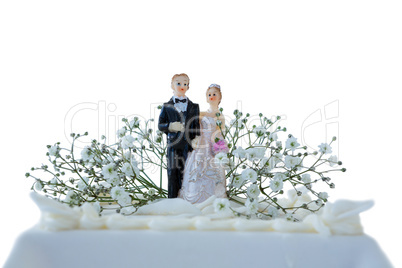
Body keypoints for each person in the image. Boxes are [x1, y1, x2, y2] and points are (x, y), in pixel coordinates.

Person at [178, 84, 227, 204]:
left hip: (212, 144)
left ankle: (212, 195)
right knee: (195, 165)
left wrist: (219, 147)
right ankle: (193, 194)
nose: (211, 96)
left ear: (220, 97)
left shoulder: (220, 116)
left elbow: (220, 132)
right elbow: (193, 123)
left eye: (214, 94)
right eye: (209, 94)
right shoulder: (202, 112)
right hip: (200, 143)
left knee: (213, 167)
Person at [158, 73, 200, 198]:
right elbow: (160, 125)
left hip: (188, 144)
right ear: (172, 85)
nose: (182, 86)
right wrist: (170, 126)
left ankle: (186, 200)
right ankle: (172, 200)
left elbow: (196, 124)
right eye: (178, 83)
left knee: (186, 172)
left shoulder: (194, 106)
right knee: (172, 172)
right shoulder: (167, 106)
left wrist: (196, 138)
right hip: (173, 144)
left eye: (185, 83)